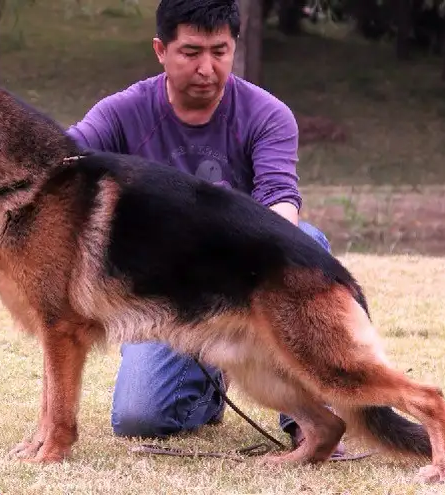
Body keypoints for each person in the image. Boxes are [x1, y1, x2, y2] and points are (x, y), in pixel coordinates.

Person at [65, 0, 343, 454]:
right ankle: (213, 383)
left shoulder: (268, 115)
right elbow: (62, 157)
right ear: (160, 49)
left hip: (251, 279)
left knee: (308, 243)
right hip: (165, 292)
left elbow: (282, 207)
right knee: (139, 418)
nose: (207, 67)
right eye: (190, 52)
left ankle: (308, 419)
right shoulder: (122, 112)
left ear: (235, 47)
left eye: (220, 51)